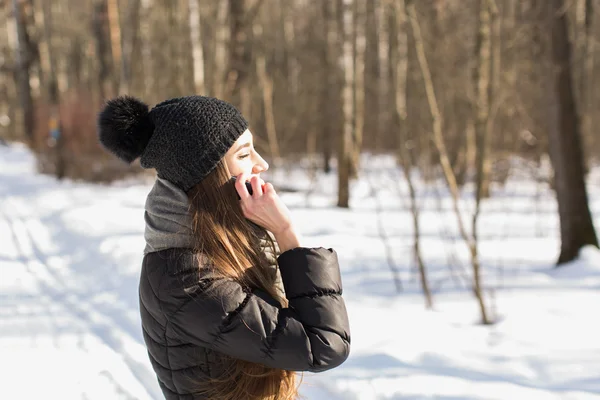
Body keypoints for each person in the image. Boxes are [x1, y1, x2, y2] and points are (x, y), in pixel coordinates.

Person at [97, 95, 351, 400]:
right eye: (244, 155)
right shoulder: (185, 279)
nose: (262, 163)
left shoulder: (215, 241)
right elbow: (323, 345)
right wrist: (286, 233)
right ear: (206, 175)